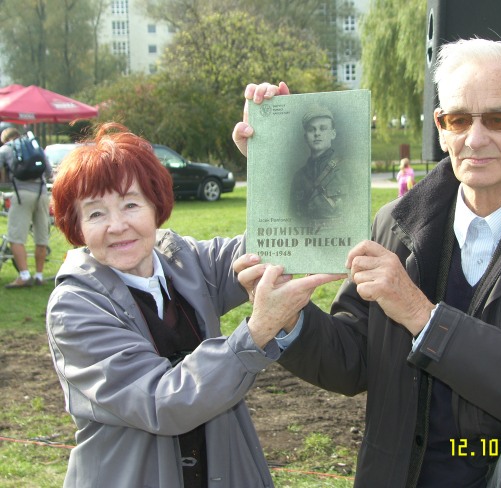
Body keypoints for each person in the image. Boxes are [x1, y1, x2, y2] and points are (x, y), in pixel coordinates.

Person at [233, 38, 501, 487]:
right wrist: (290, 317)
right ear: (441, 129)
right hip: (411, 474)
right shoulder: (396, 224)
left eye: (498, 119)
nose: (475, 139)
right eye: (458, 119)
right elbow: (353, 361)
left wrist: (423, 317)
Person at [46, 122, 339, 488]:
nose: (117, 226)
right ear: (77, 226)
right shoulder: (74, 308)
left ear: (155, 206)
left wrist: (269, 155)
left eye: (130, 204)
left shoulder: (184, 260)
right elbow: (162, 402)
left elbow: (275, 240)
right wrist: (258, 332)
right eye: (95, 213)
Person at [0, 127, 52, 288]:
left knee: (15, 237)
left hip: (21, 194)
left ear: (5, 139)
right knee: (41, 237)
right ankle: (39, 275)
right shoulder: (35, 147)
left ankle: (24, 276)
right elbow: (48, 171)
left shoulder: (6, 149)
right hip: (42, 194)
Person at [290, 104, 347, 221]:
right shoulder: (299, 177)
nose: (317, 133)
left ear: (333, 134)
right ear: (306, 137)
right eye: (311, 129)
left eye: (323, 128)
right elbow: (291, 217)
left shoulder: (347, 169)